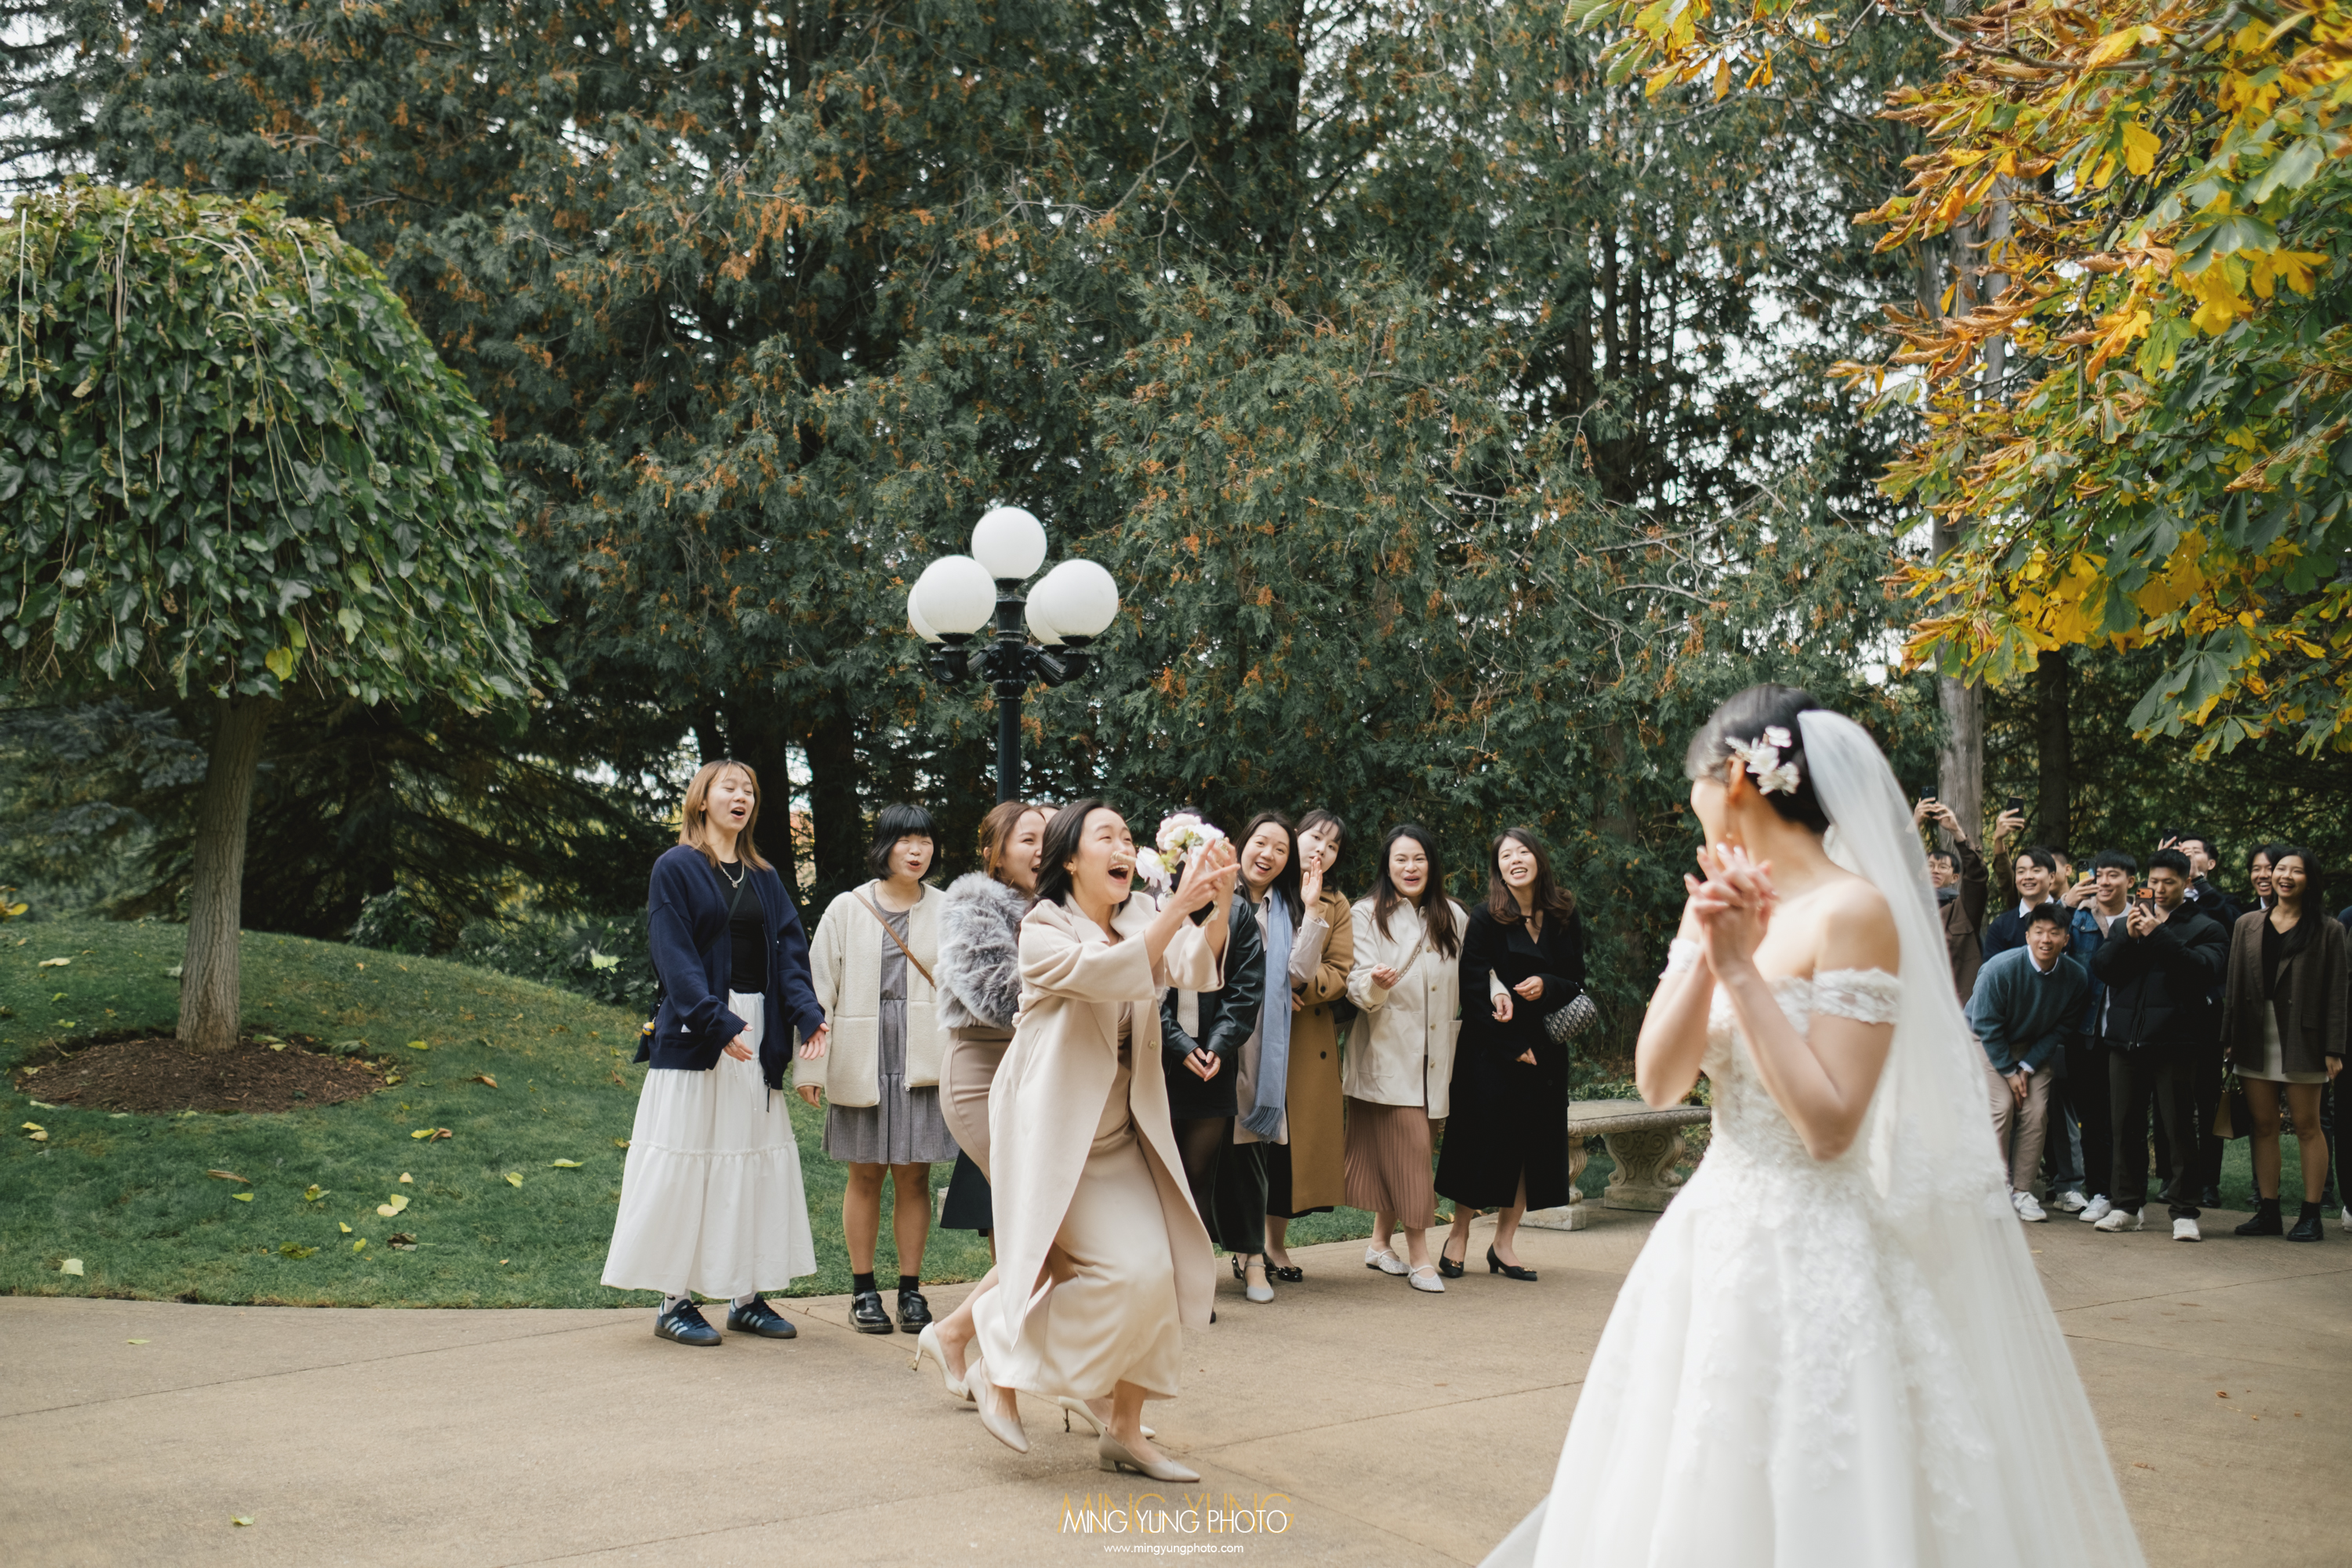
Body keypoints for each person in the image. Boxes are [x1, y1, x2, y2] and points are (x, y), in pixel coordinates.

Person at [1482, 685, 2144, 1568]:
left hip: (1816, 1236)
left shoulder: (1854, 911)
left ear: (1737, 779)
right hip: (1709, 1234)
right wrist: (1706, 949)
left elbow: (1831, 1127)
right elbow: (1659, 1079)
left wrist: (1741, 973)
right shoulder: (1715, 899)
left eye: (1696, 781)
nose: (1691, 799)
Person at [967, 800, 1237, 1482]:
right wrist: (1180, 907)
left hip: (1119, 1134)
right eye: (1105, 835)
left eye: (1127, 835)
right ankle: (998, 1346)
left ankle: (1124, 1431)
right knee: (1114, 1274)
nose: (1123, 845)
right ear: (1069, 859)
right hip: (1053, 1134)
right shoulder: (1041, 928)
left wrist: (1222, 900)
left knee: (1157, 1272)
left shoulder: (1141, 913)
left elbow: (1194, 966)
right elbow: (1108, 973)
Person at [603, 760, 829, 1347]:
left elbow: (789, 953)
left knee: (747, 1161)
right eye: (729, 787)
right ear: (702, 800)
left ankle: (745, 1298)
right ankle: (673, 1301)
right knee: (688, 1162)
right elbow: (673, 954)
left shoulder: (764, 876)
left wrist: (807, 1013)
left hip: (756, 1034)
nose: (742, 796)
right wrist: (714, 1020)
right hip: (698, 1033)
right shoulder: (675, 867)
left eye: (749, 789)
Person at [803, 804, 957, 1334]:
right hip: (861, 1055)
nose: (917, 851)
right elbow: (818, 991)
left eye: (926, 841)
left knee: (915, 1176)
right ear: (884, 846)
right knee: (865, 1173)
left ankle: (911, 1291)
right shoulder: (847, 909)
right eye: (906, 840)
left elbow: (963, 991)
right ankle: (863, 1290)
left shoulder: (948, 909)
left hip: (924, 1057)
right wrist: (810, 1070)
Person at [916, 799, 1047, 1401]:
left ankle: (954, 1334)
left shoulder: (1060, 906)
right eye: (1028, 839)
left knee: (1049, 1225)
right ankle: (971, 1344)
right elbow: (995, 997)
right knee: (1041, 1224)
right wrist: (1075, 974)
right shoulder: (974, 903)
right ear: (995, 852)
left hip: (1038, 1070)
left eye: (1049, 838)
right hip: (981, 1070)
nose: (1041, 849)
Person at [1435, 827, 1586, 1280]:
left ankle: (1503, 1244)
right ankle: (1459, 1234)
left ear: (1538, 859)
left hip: (1546, 1051)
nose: (1515, 860)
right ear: (1498, 868)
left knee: (1530, 1150)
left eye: (1523, 852)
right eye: (1506, 856)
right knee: (1480, 1145)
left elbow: (1576, 979)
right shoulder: (1486, 917)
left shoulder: (1563, 913)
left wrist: (1547, 984)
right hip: (1492, 1050)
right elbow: (1472, 985)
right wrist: (1511, 1046)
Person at [1345, 824, 1468, 1294]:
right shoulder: (1366, 914)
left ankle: (1379, 1244)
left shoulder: (1453, 916)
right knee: (1414, 1157)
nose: (1410, 867)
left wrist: (1498, 990)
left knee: (1404, 1157)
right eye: (1401, 859)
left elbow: (1478, 970)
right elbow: (1357, 986)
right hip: (1388, 1055)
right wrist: (1375, 982)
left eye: (1419, 858)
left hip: (1435, 1061)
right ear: (1387, 865)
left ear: (1431, 864)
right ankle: (1420, 1258)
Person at [2088, 848, 2227, 1242]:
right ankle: (2127, 1207)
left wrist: (2158, 934)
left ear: (2186, 882)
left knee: (2178, 1128)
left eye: (2169, 882)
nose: (2160, 889)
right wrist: (2129, 937)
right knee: (2124, 1126)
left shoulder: (2206, 927)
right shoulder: (2126, 924)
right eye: (2154, 881)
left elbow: (2201, 971)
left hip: (2176, 1042)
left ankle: (2184, 1212)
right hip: (2125, 1041)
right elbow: (2103, 969)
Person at [2222, 848, 2346, 1242]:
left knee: (2308, 1126)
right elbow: (2234, 983)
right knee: (2263, 1125)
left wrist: (2334, 1048)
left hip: (2304, 1037)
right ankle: (2268, 1211)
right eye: (2280, 869)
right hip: (2253, 1035)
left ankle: (2311, 1214)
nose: (2285, 876)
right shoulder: (2247, 923)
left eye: (2296, 871)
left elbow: (2337, 993)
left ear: (2311, 880)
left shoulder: (2328, 929)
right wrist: (2228, 1038)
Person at [1216, 811, 1312, 1305]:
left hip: (1259, 1045)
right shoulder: (1213, 892)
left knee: (1250, 1152)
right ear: (1242, 844)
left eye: (1280, 849)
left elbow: (1297, 974)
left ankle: (1254, 1257)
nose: (1268, 854)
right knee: (1201, 1151)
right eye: (1261, 842)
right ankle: (1190, 1259)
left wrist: (1312, 912)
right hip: (1208, 1037)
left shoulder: (1288, 908)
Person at [1158, 813, 1265, 1254]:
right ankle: (1157, 1275)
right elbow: (1144, 991)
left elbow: (1245, 988)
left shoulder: (1238, 913)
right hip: (1159, 1062)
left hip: (1211, 1065)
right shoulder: (1151, 908)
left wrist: (1218, 1045)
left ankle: (1193, 1276)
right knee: (1158, 1177)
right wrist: (1178, 1043)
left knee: (1198, 1175)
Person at [1264, 808, 1353, 1279]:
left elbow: (1340, 971)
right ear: (1295, 836)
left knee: (1290, 1147)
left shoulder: (1336, 904)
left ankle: (1274, 1245)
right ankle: (1245, 1244)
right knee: (1251, 1140)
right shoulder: (1264, 884)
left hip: (1305, 1034)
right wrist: (1274, 988)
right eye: (1316, 837)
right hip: (1256, 1029)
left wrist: (1303, 987)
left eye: (1333, 845)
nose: (1323, 849)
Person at [1966, 904, 2090, 1222]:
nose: (2046, 939)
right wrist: (2010, 1072)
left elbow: (2063, 1027)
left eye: (2054, 933)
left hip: (2033, 1047)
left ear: (2066, 939)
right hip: (1987, 1041)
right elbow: (1985, 1024)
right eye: (2039, 932)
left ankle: (2022, 1191)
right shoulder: (2000, 968)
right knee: (2002, 1106)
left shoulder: (2075, 976)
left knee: (2036, 1112)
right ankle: (1992, 1188)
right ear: (2027, 936)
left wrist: (2027, 1067)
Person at [2065, 851, 2136, 1224]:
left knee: (2127, 1118)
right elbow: (2043, 939)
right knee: (2093, 1119)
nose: (2105, 882)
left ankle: (2128, 1195)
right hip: (2087, 1032)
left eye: (2114, 875)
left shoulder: (2142, 918)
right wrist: (2065, 904)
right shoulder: (2077, 918)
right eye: (2100, 874)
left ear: (2130, 881)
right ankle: (2100, 1192)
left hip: (2129, 1033)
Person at [1918, 798, 1996, 1002]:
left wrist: (1956, 832)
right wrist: (1914, 823)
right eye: (1930, 866)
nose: (1935, 871)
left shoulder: (1962, 909)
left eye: (1943, 867)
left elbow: (1977, 878)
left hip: (1956, 1004)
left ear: (1955, 878)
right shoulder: (1909, 906)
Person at [1983, 844, 2059, 961]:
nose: (2027, 877)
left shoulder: (2071, 918)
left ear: (2052, 877)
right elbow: (1992, 970)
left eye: (2036, 870)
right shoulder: (2000, 926)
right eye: (2021, 872)